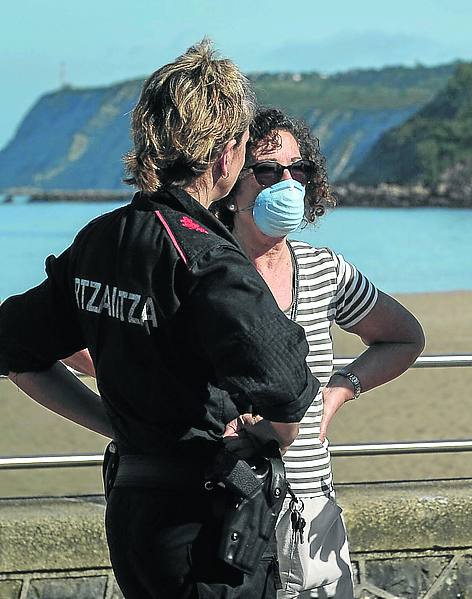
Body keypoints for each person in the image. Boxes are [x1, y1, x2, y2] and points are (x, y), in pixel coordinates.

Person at [0, 41, 320, 598]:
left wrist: (119, 426)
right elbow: (289, 392)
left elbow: (16, 352)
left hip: (132, 512)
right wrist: (268, 434)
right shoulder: (211, 262)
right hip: (205, 526)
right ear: (225, 153)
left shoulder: (104, 238)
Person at [210, 106, 425, 598]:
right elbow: (91, 346)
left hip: (310, 507)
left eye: (297, 170)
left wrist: (340, 389)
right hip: (224, 504)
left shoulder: (324, 269)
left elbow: (404, 337)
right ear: (230, 179)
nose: (286, 182)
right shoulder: (199, 268)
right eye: (266, 170)